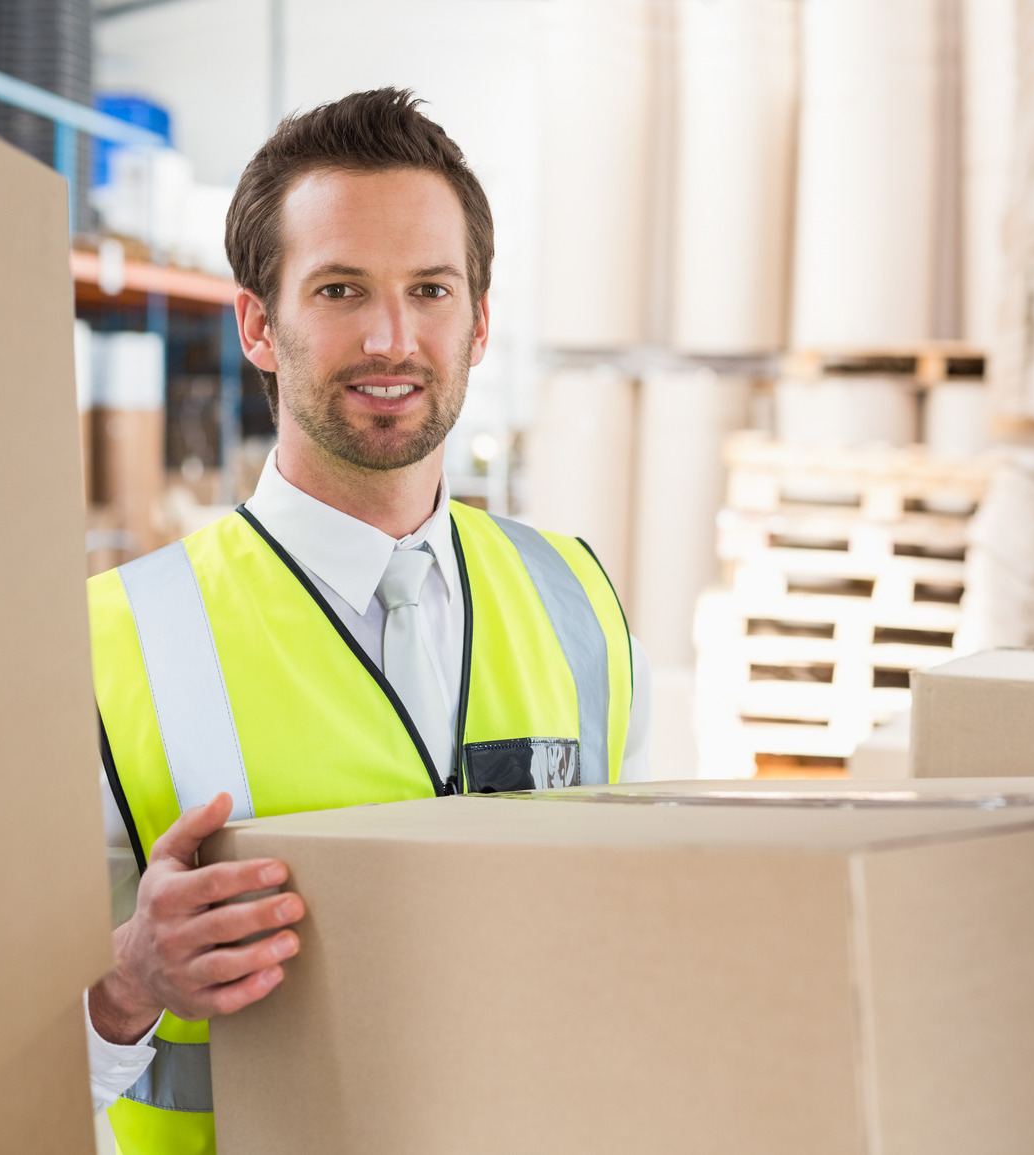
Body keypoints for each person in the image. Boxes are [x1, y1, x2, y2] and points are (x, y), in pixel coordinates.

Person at [82, 88, 653, 1154]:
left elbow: (644, 946)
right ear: (259, 323)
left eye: (430, 290)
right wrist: (126, 984)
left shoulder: (581, 604)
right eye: (340, 289)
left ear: (479, 323)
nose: (391, 338)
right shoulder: (108, 644)